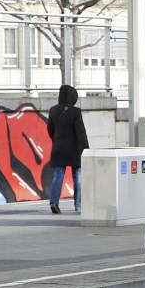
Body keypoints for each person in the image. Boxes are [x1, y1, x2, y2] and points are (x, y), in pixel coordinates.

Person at [47, 84, 89, 214]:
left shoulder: (53, 110)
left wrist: (57, 140)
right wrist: (86, 149)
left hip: (59, 147)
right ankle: (78, 204)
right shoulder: (75, 112)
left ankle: (54, 202)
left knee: (58, 175)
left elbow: (50, 129)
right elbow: (80, 132)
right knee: (77, 176)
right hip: (75, 148)